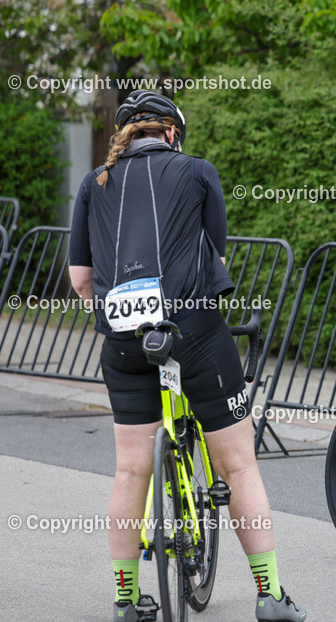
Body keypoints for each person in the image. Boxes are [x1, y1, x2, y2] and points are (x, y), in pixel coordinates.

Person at [68, 90, 306, 621]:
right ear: (172, 132)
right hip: (193, 330)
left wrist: (120, 311)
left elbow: (81, 279)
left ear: (124, 135)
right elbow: (214, 255)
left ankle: (126, 602)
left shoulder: (94, 182)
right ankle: (270, 596)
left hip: (123, 340)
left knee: (130, 472)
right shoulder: (198, 171)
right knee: (239, 465)